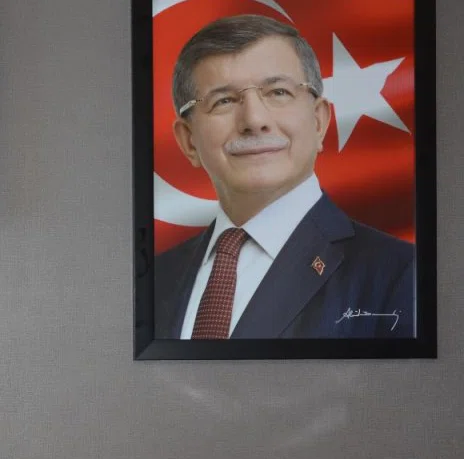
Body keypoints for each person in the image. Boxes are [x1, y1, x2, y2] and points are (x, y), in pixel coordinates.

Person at [155, 14, 414, 339]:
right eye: (224, 100)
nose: (254, 120)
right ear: (189, 141)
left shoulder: (400, 275)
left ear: (319, 122)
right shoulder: (152, 279)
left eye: (278, 92)